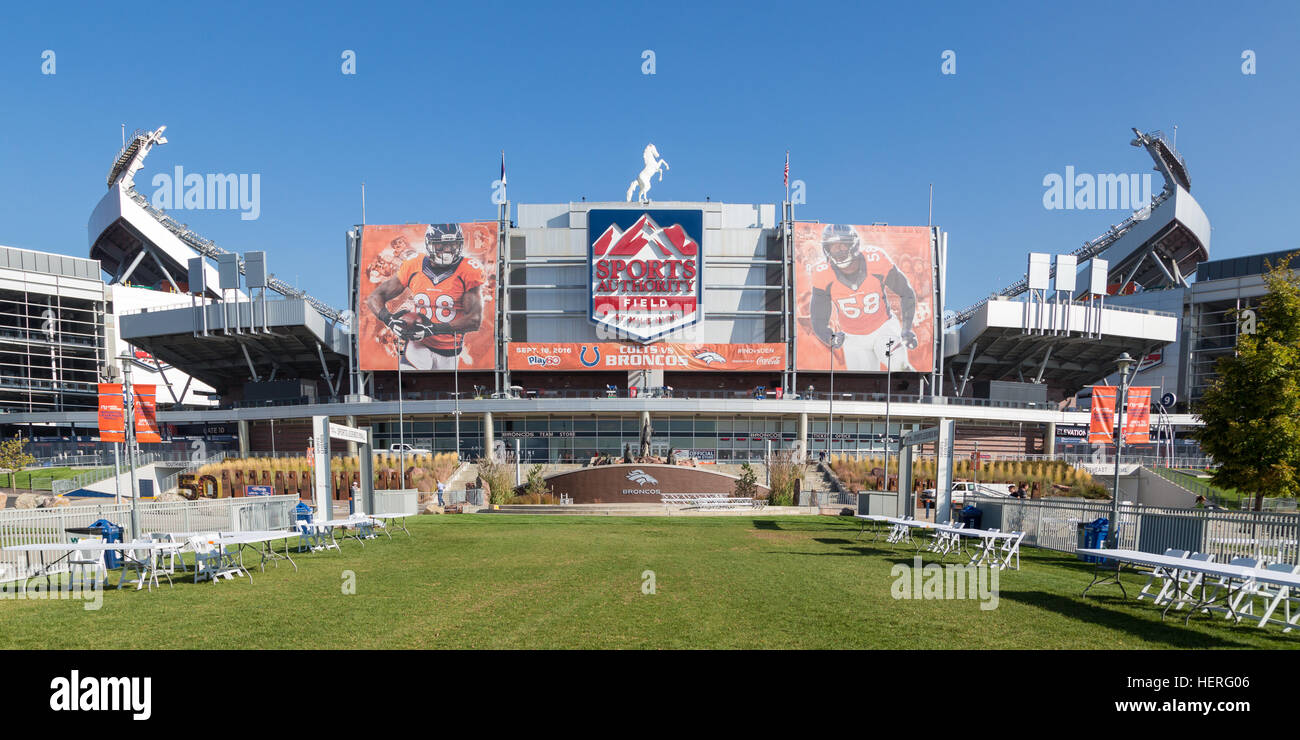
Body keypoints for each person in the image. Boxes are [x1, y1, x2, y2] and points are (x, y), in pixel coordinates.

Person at [366, 224, 484, 370]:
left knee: (447, 390)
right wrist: (388, 319)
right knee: (408, 384)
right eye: (441, 245)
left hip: (450, 351)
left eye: (452, 245)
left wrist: (433, 329)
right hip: (418, 344)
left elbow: (474, 320)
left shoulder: (468, 269)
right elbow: (374, 297)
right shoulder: (413, 264)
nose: (447, 250)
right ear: (429, 244)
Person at [809, 224, 919, 371]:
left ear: (853, 245)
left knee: (900, 366)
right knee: (862, 382)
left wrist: (906, 328)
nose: (839, 251)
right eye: (834, 247)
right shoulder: (822, 273)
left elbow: (906, 292)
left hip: (883, 328)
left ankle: (919, 392)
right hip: (853, 338)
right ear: (826, 249)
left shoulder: (876, 259)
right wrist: (830, 337)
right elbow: (818, 319)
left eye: (843, 245)